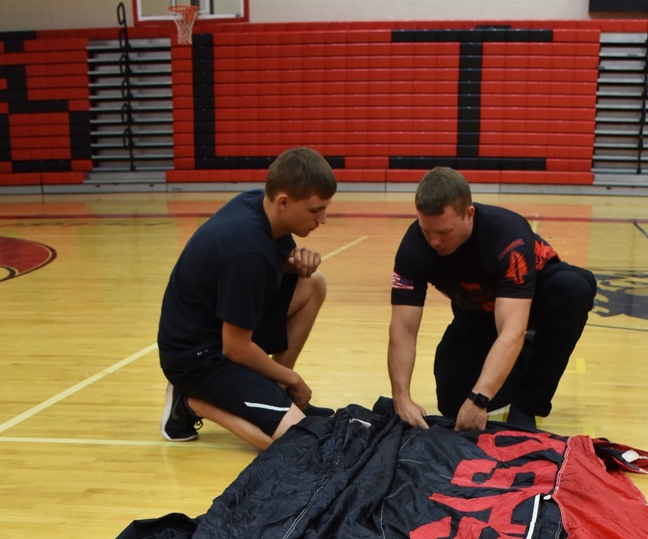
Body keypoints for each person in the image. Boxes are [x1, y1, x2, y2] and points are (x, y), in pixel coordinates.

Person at [387, 167, 597, 433]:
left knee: (573, 290)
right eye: (427, 231)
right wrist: (401, 397)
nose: (435, 241)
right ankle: (526, 351)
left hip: (534, 300)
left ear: (469, 215)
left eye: (444, 231)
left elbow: (510, 330)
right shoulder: (415, 246)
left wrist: (480, 398)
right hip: (478, 310)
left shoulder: (506, 236)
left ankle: (529, 403)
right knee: (452, 402)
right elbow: (403, 329)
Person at [158, 146, 337, 448]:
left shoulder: (260, 204)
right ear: (284, 201)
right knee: (294, 443)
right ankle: (190, 402)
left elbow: (272, 262)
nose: (322, 219)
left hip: (221, 328)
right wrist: (292, 378)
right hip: (196, 357)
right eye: (315, 210)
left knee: (312, 283)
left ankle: (274, 393)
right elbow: (236, 348)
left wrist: (295, 258)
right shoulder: (247, 250)